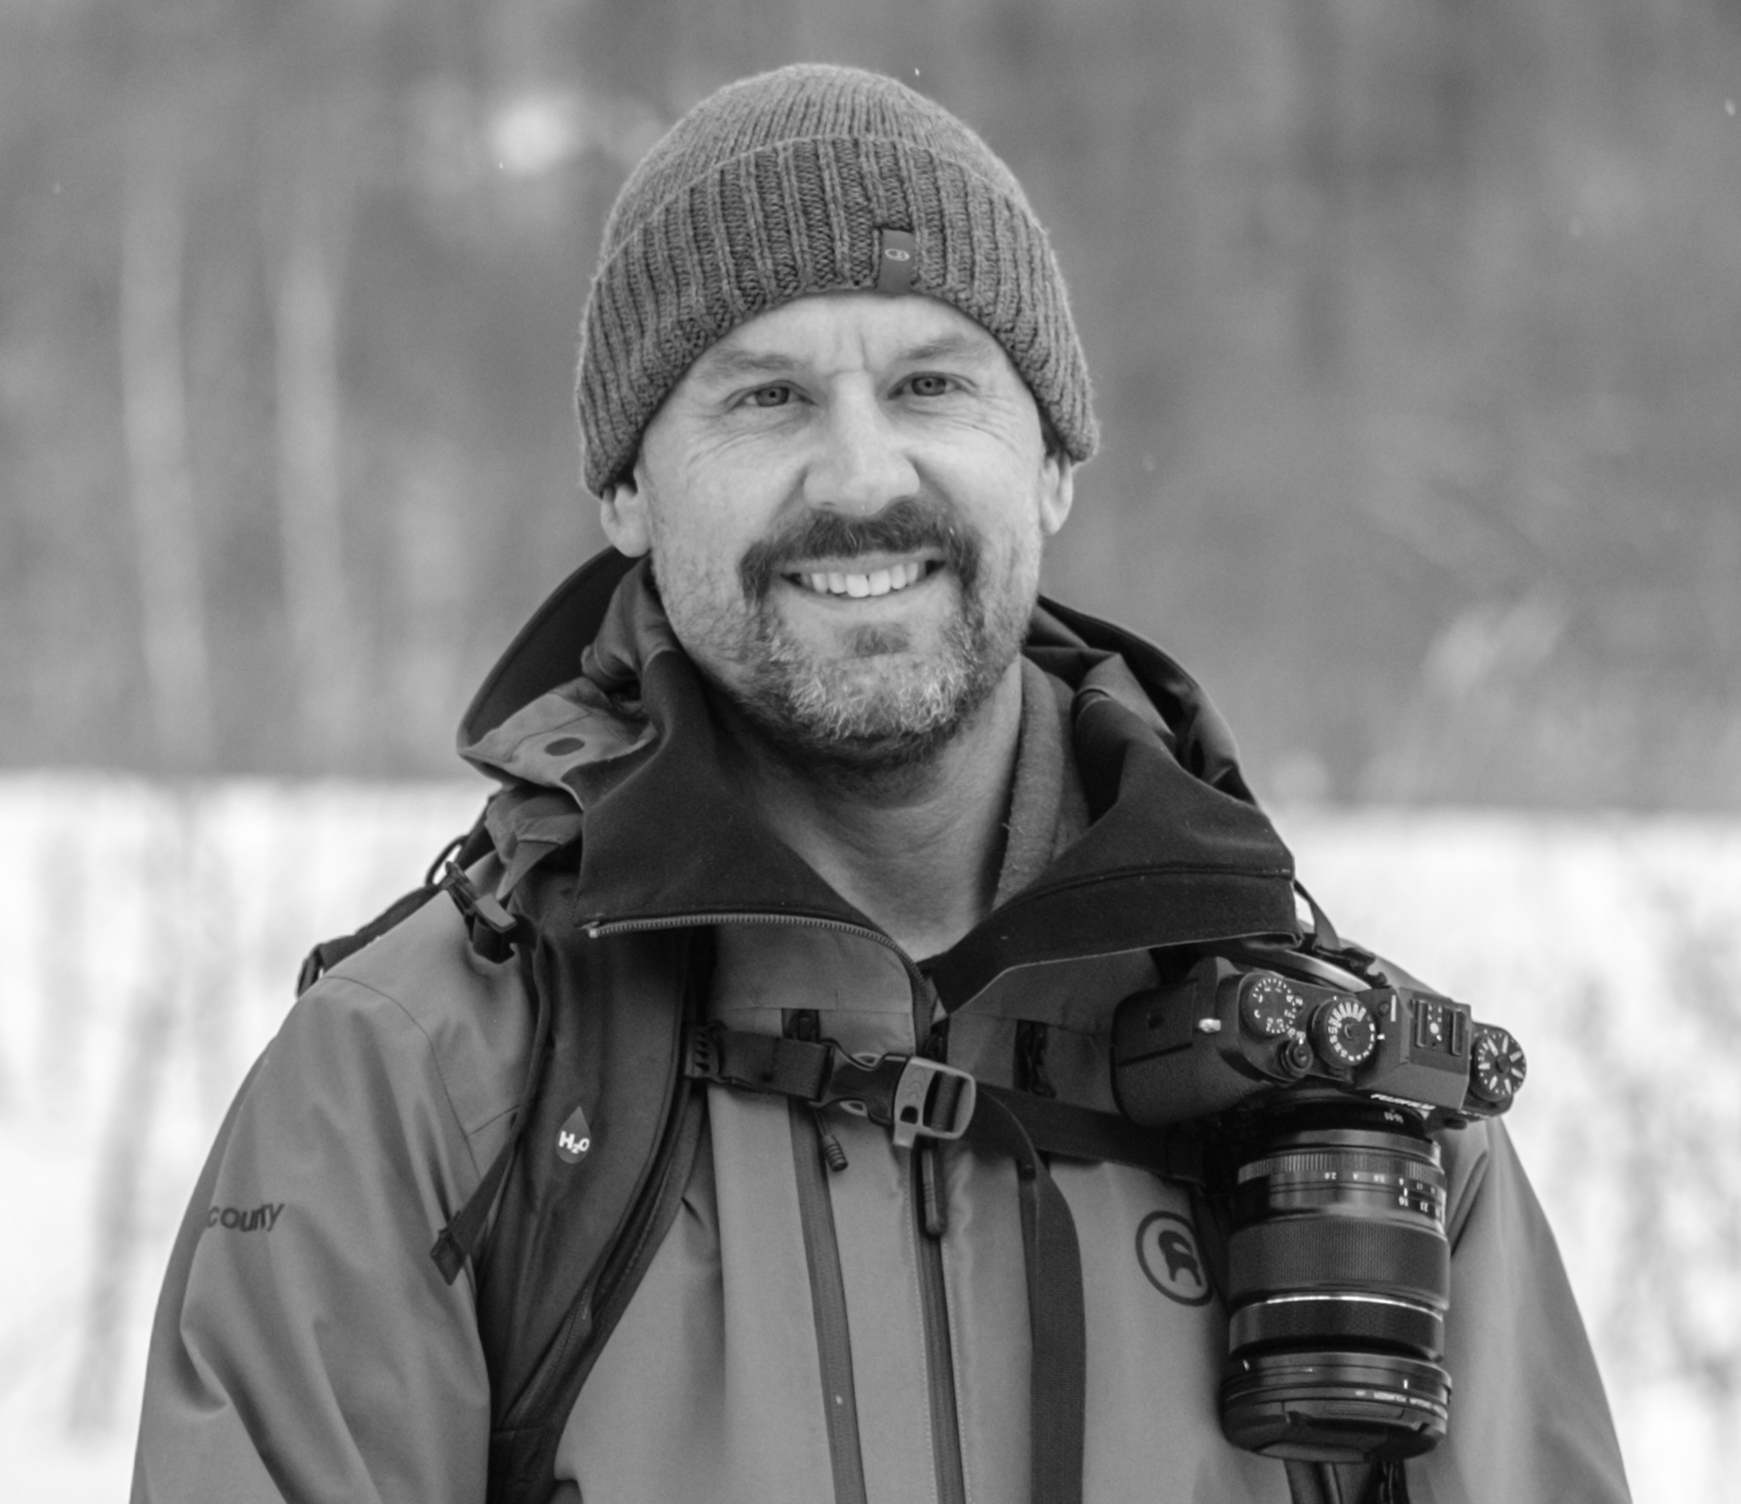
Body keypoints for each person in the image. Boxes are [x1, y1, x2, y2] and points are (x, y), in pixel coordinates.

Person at [132, 63, 1630, 1504]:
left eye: (930, 383)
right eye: (765, 398)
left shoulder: (1351, 1110)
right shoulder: (421, 1089)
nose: (861, 477)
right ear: (628, 490)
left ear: (1052, 460)